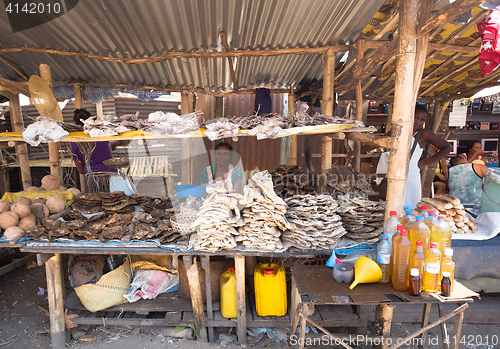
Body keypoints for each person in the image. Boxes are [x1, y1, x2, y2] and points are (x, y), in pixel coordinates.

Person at [358, 104, 452, 208]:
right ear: (409, 116)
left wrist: (424, 163)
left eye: (422, 120)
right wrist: (355, 153)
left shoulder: (423, 134)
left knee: (409, 206)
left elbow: (447, 147)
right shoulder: (398, 131)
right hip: (393, 173)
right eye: (416, 118)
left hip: (411, 175)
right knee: (391, 206)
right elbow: (378, 143)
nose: (418, 122)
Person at [71, 108, 116, 192]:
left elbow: (80, 170)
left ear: (75, 124)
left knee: (95, 202)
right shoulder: (101, 133)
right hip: (112, 176)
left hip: (93, 179)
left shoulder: (74, 141)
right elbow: (107, 152)